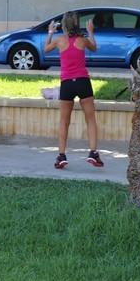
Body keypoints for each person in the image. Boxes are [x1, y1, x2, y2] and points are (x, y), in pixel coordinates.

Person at [44, 12, 104, 169]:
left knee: (64, 121)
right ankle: (93, 153)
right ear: (77, 25)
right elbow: (94, 47)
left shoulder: (59, 41)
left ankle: (61, 156)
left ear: (63, 26)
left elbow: (45, 49)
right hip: (83, 82)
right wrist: (90, 31)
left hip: (67, 83)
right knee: (90, 119)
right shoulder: (82, 41)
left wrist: (50, 32)